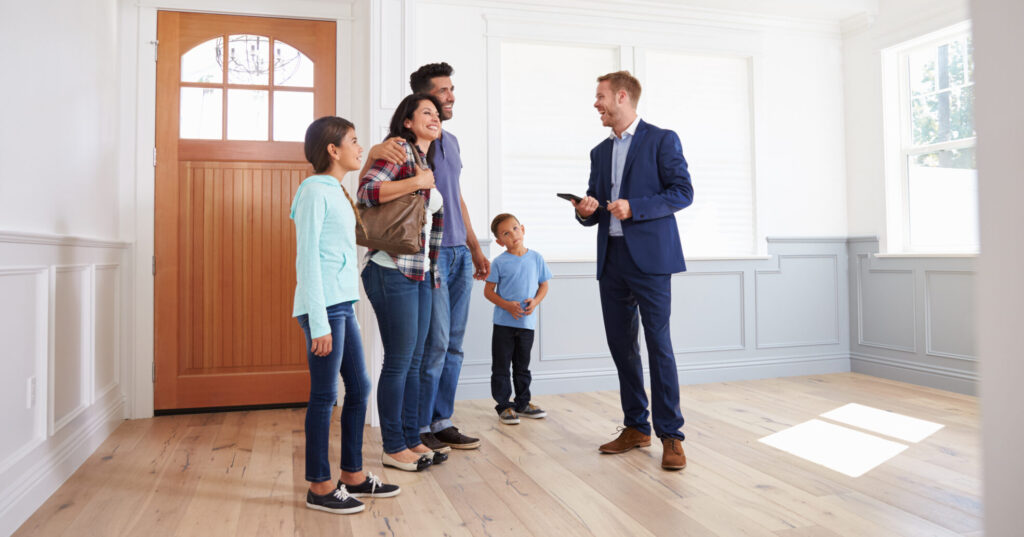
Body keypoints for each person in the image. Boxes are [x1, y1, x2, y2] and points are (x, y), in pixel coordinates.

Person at [569, 71, 694, 471]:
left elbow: (682, 192)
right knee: (622, 348)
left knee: (659, 346)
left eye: (600, 97)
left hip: (652, 262)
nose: (596, 104)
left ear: (622, 97)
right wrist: (585, 210)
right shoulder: (598, 153)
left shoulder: (662, 139)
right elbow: (596, 211)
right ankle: (636, 427)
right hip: (612, 259)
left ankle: (671, 436)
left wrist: (635, 207)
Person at [292, 116, 400, 514]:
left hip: (342, 305)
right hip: (323, 310)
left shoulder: (335, 190)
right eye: (354, 141)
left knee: (359, 388)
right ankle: (319, 485)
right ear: (332, 150)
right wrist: (319, 323)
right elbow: (308, 261)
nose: (360, 147)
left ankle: (351, 474)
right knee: (324, 396)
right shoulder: (313, 192)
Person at [358, 94, 449, 472]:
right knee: (399, 362)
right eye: (425, 112)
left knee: (413, 361)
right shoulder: (397, 151)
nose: (435, 117)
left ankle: (411, 440)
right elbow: (367, 193)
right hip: (390, 267)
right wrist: (417, 181)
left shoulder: (424, 161)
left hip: (419, 272)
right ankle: (393, 446)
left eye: (437, 113)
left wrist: (434, 272)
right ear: (407, 122)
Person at [410, 62, 487, 450]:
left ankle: (442, 420)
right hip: (434, 253)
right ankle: (420, 425)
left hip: (459, 251)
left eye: (452, 89)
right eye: (443, 91)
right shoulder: (406, 143)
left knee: (455, 343)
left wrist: (476, 247)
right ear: (424, 99)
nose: (451, 96)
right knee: (435, 343)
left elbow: (455, 196)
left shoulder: (452, 141)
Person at [483, 213, 551, 425]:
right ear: (499, 241)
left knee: (523, 366)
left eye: (514, 228)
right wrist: (507, 305)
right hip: (504, 324)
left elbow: (544, 285)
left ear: (522, 228)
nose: (512, 234)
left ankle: (522, 403)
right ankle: (504, 406)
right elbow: (488, 291)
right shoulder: (499, 263)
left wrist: (536, 302)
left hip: (527, 324)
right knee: (501, 365)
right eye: (505, 233)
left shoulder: (536, 258)